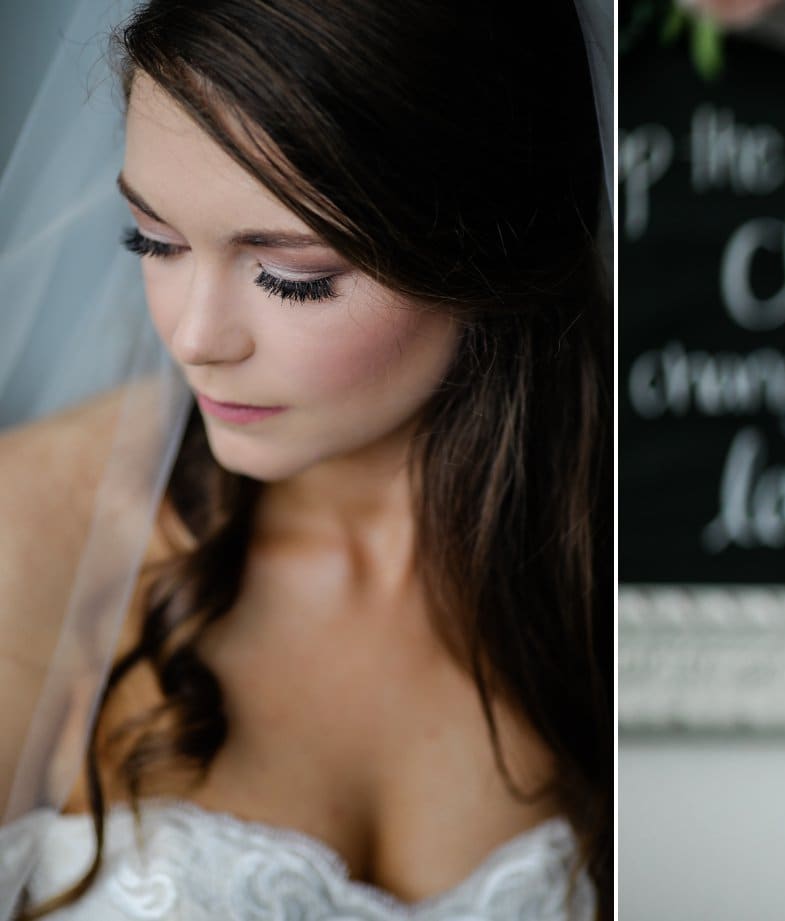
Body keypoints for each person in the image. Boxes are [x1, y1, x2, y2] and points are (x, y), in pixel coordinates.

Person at [0, 0, 610, 917]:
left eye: (292, 273)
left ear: (486, 243)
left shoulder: (594, 561)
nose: (197, 337)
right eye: (153, 241)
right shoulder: (32, 527)